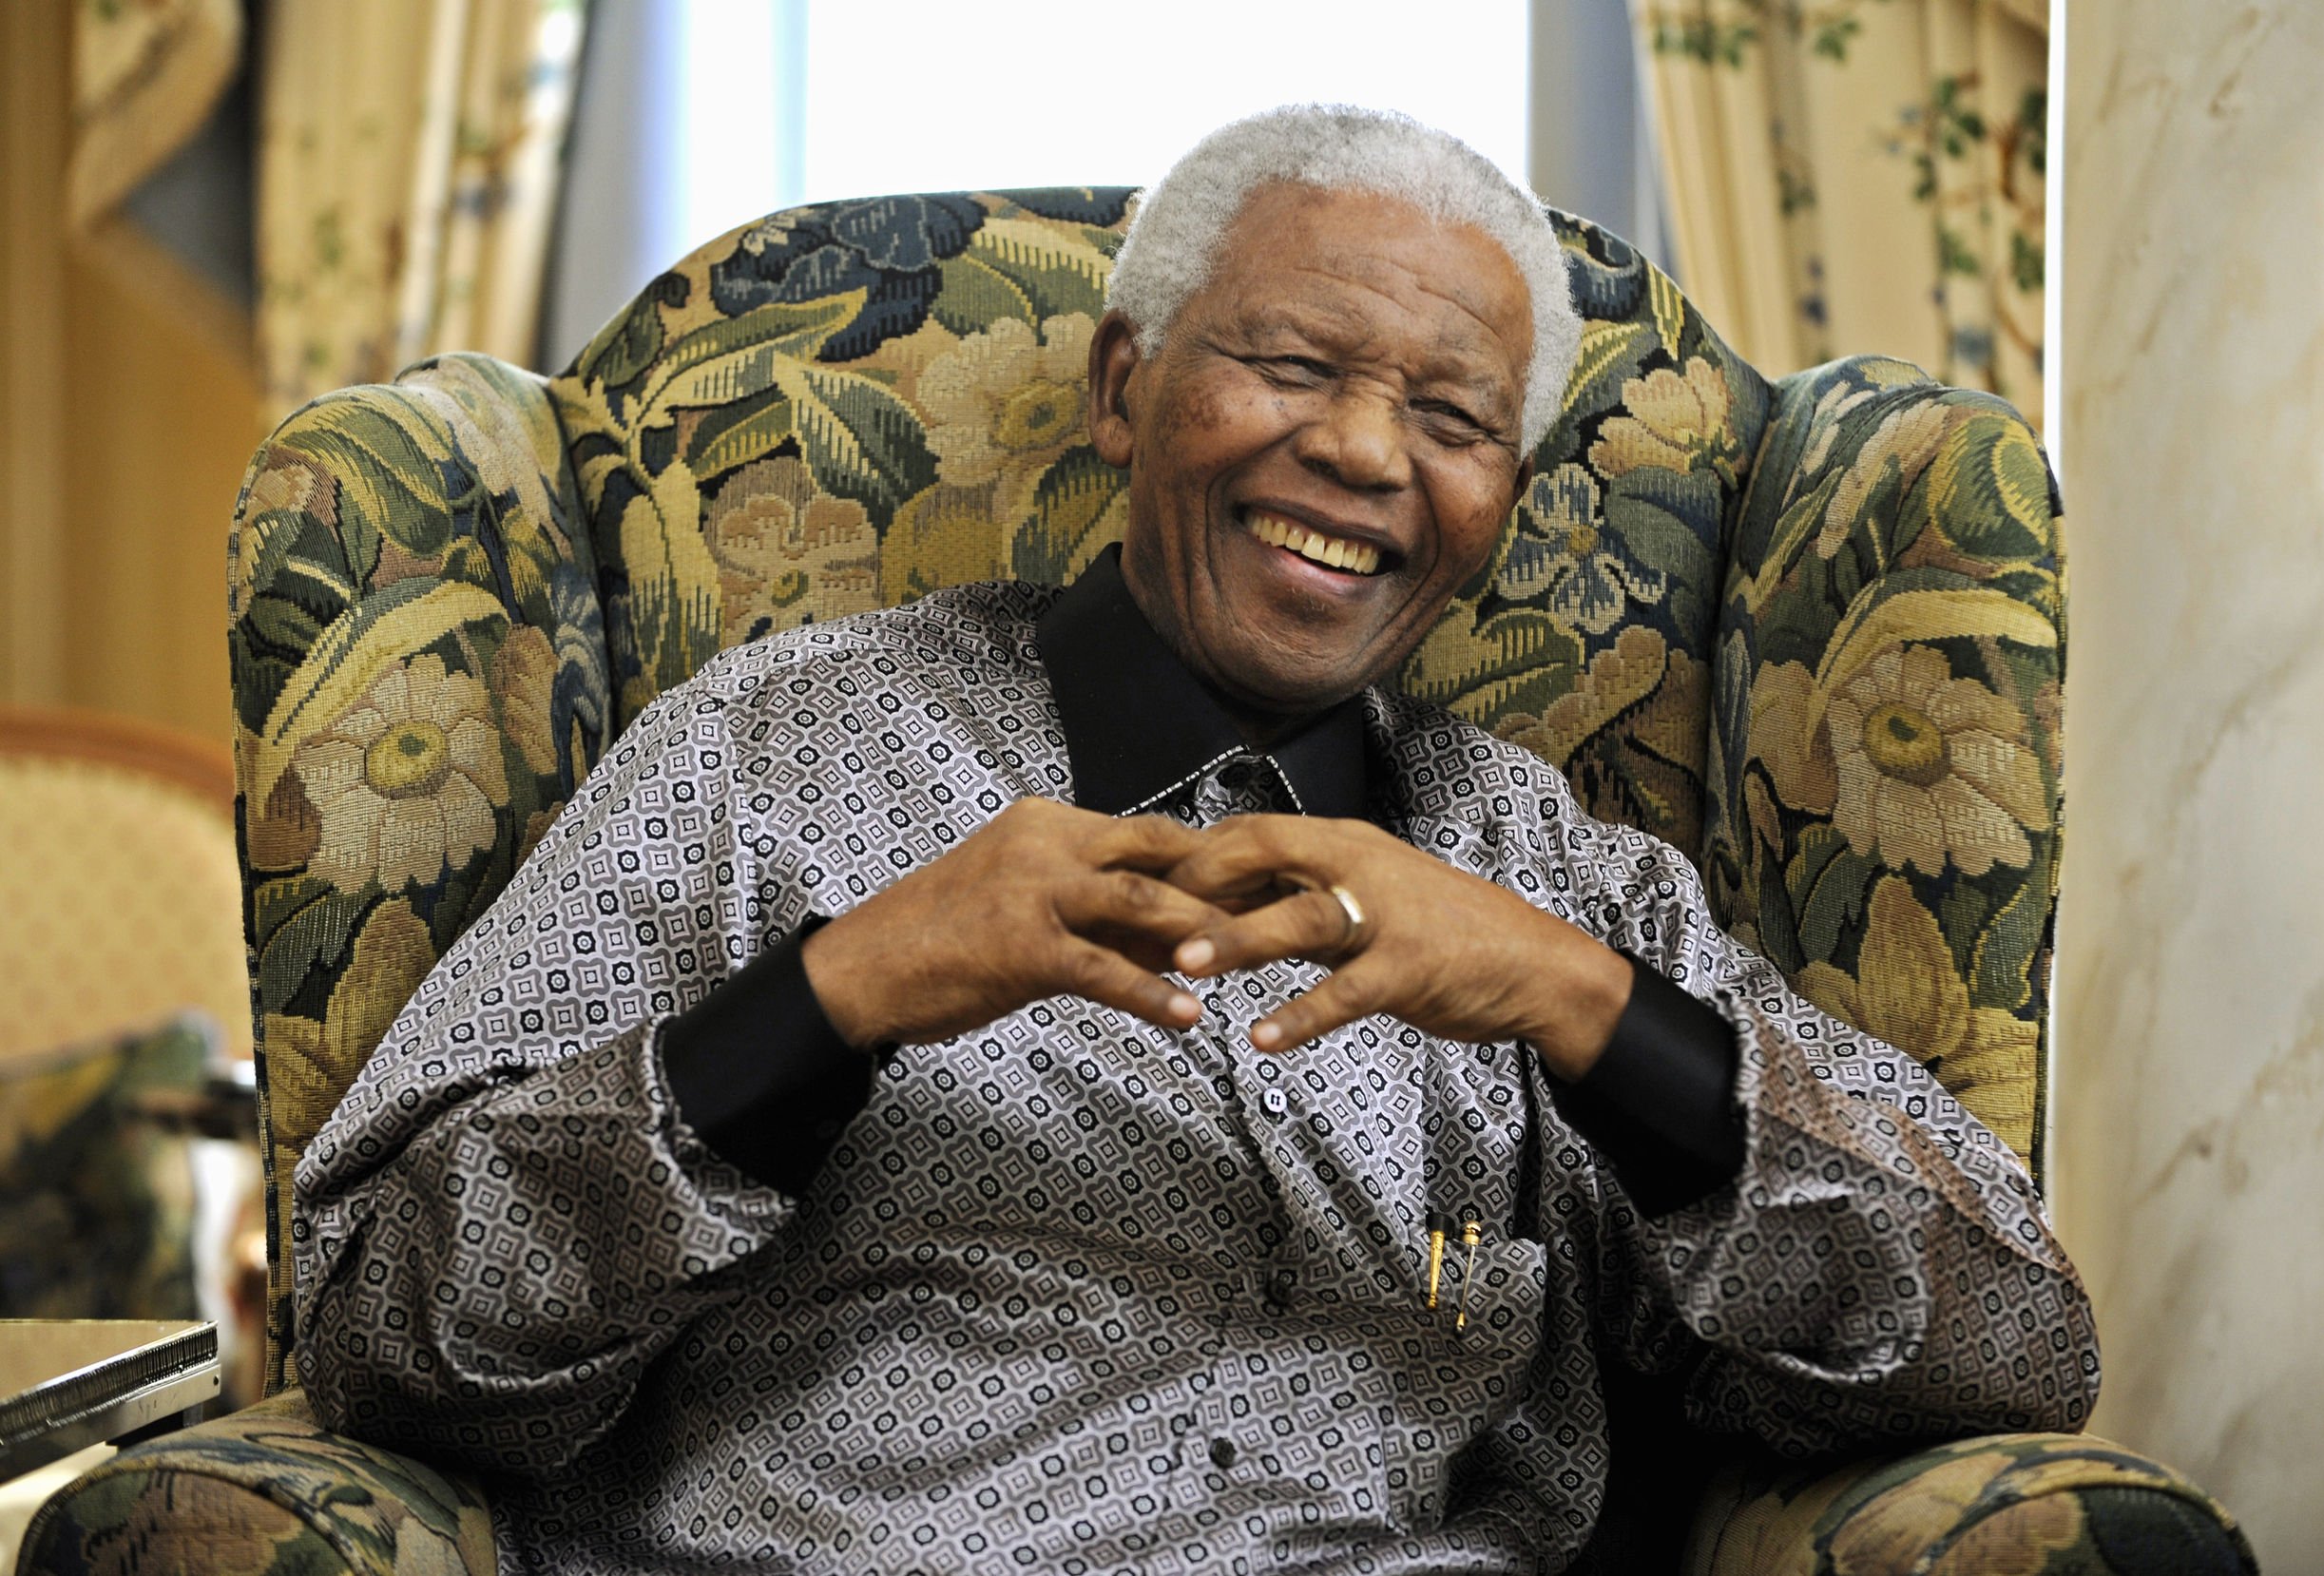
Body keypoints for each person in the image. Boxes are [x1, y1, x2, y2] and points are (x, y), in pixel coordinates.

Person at [293, 106, 2097, 1574]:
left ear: (1501, 505)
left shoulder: (1550, 871)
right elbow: (382, 1331)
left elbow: (2014, 1337)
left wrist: (1588, 1006)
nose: (1369, 452)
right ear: (1122, 386)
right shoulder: (764, 754)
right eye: (1296, 361)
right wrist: (829, 999)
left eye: (1453, 418)